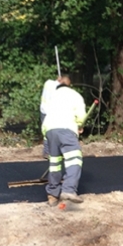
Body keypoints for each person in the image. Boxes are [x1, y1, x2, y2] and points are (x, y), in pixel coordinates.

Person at [41, 75, 87, 206]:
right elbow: (81, 115)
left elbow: (44, 112)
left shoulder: (52, 96)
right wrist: (79, 125)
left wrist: (46, 140)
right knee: (75, 159)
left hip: (49, 130)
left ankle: (52, 195)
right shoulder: (75, 95)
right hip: (66, 129)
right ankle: (68, 190)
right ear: (69, 85)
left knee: (55, 163)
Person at [39, 76, 63, 158]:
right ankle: (51, 151)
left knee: (46, 132)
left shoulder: (48, 83)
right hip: (51, 113)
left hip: (43, 111)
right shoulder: (59, 89)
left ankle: (47, 151)